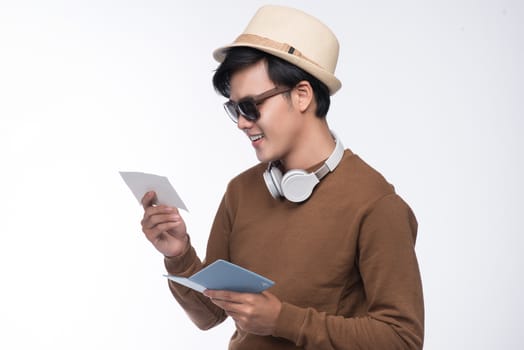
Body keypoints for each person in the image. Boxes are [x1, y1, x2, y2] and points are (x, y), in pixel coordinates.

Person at [140, 5, 424, 349]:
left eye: (251, 106)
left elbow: (401, 339)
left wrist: (282, 320)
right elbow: (210, 315)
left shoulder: (376, 204)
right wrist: (179, 254)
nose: (242, 122)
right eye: (234, 109)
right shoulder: (241, 191)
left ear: (302, 95)